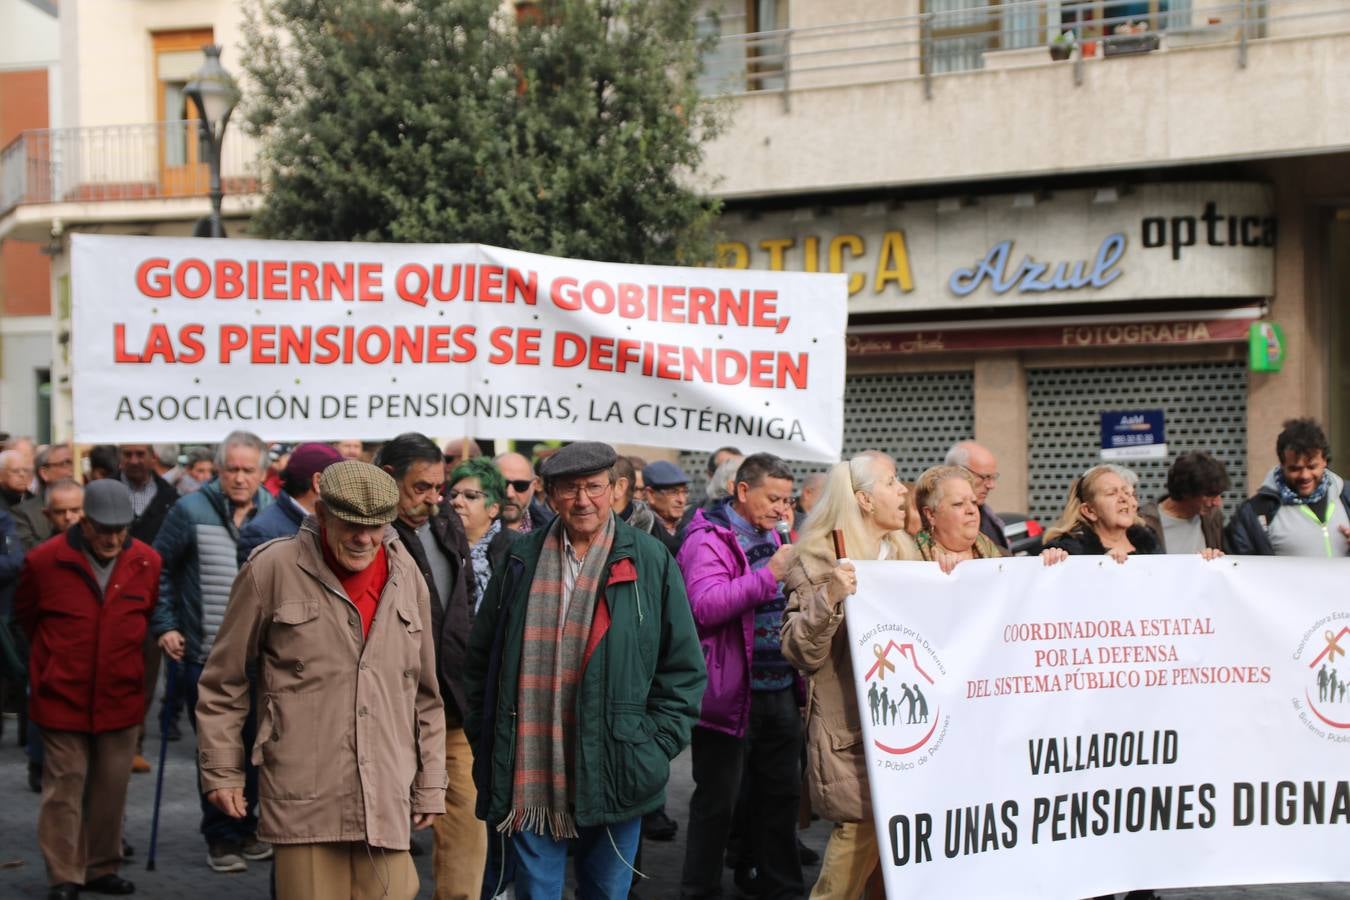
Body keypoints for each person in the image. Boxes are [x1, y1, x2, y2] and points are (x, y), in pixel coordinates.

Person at [465, 441, 706, 899]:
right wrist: (489, 735)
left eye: (594, 487)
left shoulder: (649, 559)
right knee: (536, 891)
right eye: (569, 489)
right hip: (529, 763)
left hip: (620, 762)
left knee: (606, 890)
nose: (582, 500)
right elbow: (482, 661)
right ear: (548, 494)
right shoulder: (520, 558)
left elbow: (684, 669)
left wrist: (652, 748)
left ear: (615, 490)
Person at [196, 461, 447, 900]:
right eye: (351, 525)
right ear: (322, 512)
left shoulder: (406, 574)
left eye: (375, 527)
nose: (364, 539)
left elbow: (425, 694)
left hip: (385, 791)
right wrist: (222, 771)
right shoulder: (271, 568)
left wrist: (430, 783)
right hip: (304, 794)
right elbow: (223, 682)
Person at [781, 453, 919, 899]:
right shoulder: (817, 562)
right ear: (863, 500)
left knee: (892, 844)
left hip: (907, 722)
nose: (903, 490)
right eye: (893, 482)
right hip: (851, 725)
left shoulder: (904, 553)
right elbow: (800, 650)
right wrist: (831, 597)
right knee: (857, 835)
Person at [16, 479, 161, 900]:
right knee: (64, 787)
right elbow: (25, 618)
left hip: (119, 695)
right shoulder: (46, 561)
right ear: (85, 522)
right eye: (104, 528)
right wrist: (50, 664)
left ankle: (100, 867)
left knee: (110, 789)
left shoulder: (147, 561)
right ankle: (65, 875)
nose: (114, 537)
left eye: (122, 528)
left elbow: (148, 617)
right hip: (62, 694)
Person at [678, 453, 802, 900]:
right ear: (743, 491)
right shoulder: (708, 539)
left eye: (787, 501)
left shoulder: (782, 538)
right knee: (719, 803)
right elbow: (705, 607)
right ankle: (699, 889)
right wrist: (769, 575)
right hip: (729, 692)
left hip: (781, 687)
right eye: (773, 498)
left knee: (780, 797)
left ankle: (780, 885)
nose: (781, 510)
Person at [151, 430, 274, 874]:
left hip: (261, 657)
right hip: (205, 654)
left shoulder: (274, 514)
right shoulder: (189, 510)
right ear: (218, 470)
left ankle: (248, 825)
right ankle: (221, 837)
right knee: (217, 749)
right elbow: (156, 569)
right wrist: (165, 625)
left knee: (258, 748)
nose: (239, 478)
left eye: (248, 470)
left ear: (263, 473)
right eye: (231, 469)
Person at [375, 433, 479, 900]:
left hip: (451, 702)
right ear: (388, 479)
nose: (434, 499)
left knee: (466, 820)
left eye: (439, 487)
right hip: (389, 711)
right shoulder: (365, 532)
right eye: (422, 488)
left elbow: (464, 601)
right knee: (385, 828)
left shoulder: (444, 525)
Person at [1226, 418, 1350, 557]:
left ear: (1324, 461)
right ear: (1282, 465)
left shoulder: (1346, 496)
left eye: (1311, 467)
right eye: (1295, 469)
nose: (1305, 476)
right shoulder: (1256, 512)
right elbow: (1235, 567)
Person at [236, 442, 344, 565]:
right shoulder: (262, 532)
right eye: (339, 480)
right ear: (318, 483)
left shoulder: (325, 523)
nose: (345, 489)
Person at [1043, 465, 1168, 561]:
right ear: (1089, 511)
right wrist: (1100, 566)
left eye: (1126, 492)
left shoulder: (1150, 542)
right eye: (1111, 493)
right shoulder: (1070, 553)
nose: (1123, 498)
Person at [448, 456, 515, 616]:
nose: (457, 502)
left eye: (470, 496)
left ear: (493, 508)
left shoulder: (516, 549)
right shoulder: (439, 544)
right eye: (453, 495)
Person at [912, 465, 1008, 563]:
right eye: (958, 504)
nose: (971, 510)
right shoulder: (908, 561)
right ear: (931, 514)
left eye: (974, 502)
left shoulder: (1002, 557)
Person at [1138, 452, 1229, 553]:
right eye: (1209, 495)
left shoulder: (1212, 517)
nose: (1218, 503)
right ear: (1186, 492)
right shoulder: (1145, 522)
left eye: (1219, 495)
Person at [945, 440, 1011, 553]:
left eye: (993, 477)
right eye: (984, 477)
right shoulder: (939, 518)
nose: (991, 485)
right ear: (958, 472)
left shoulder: (987, 515)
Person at [495, 451, 555, 534]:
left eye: (520, 486)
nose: (509, 494)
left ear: (535, 485)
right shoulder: (472, 526)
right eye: (502, 484)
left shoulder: (553, 529)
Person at [645, 460, 691, 553]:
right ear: (651, 494)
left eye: (684, 492)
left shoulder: (692, 526)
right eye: (673, 492)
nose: (681, 500)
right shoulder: (641, 528)